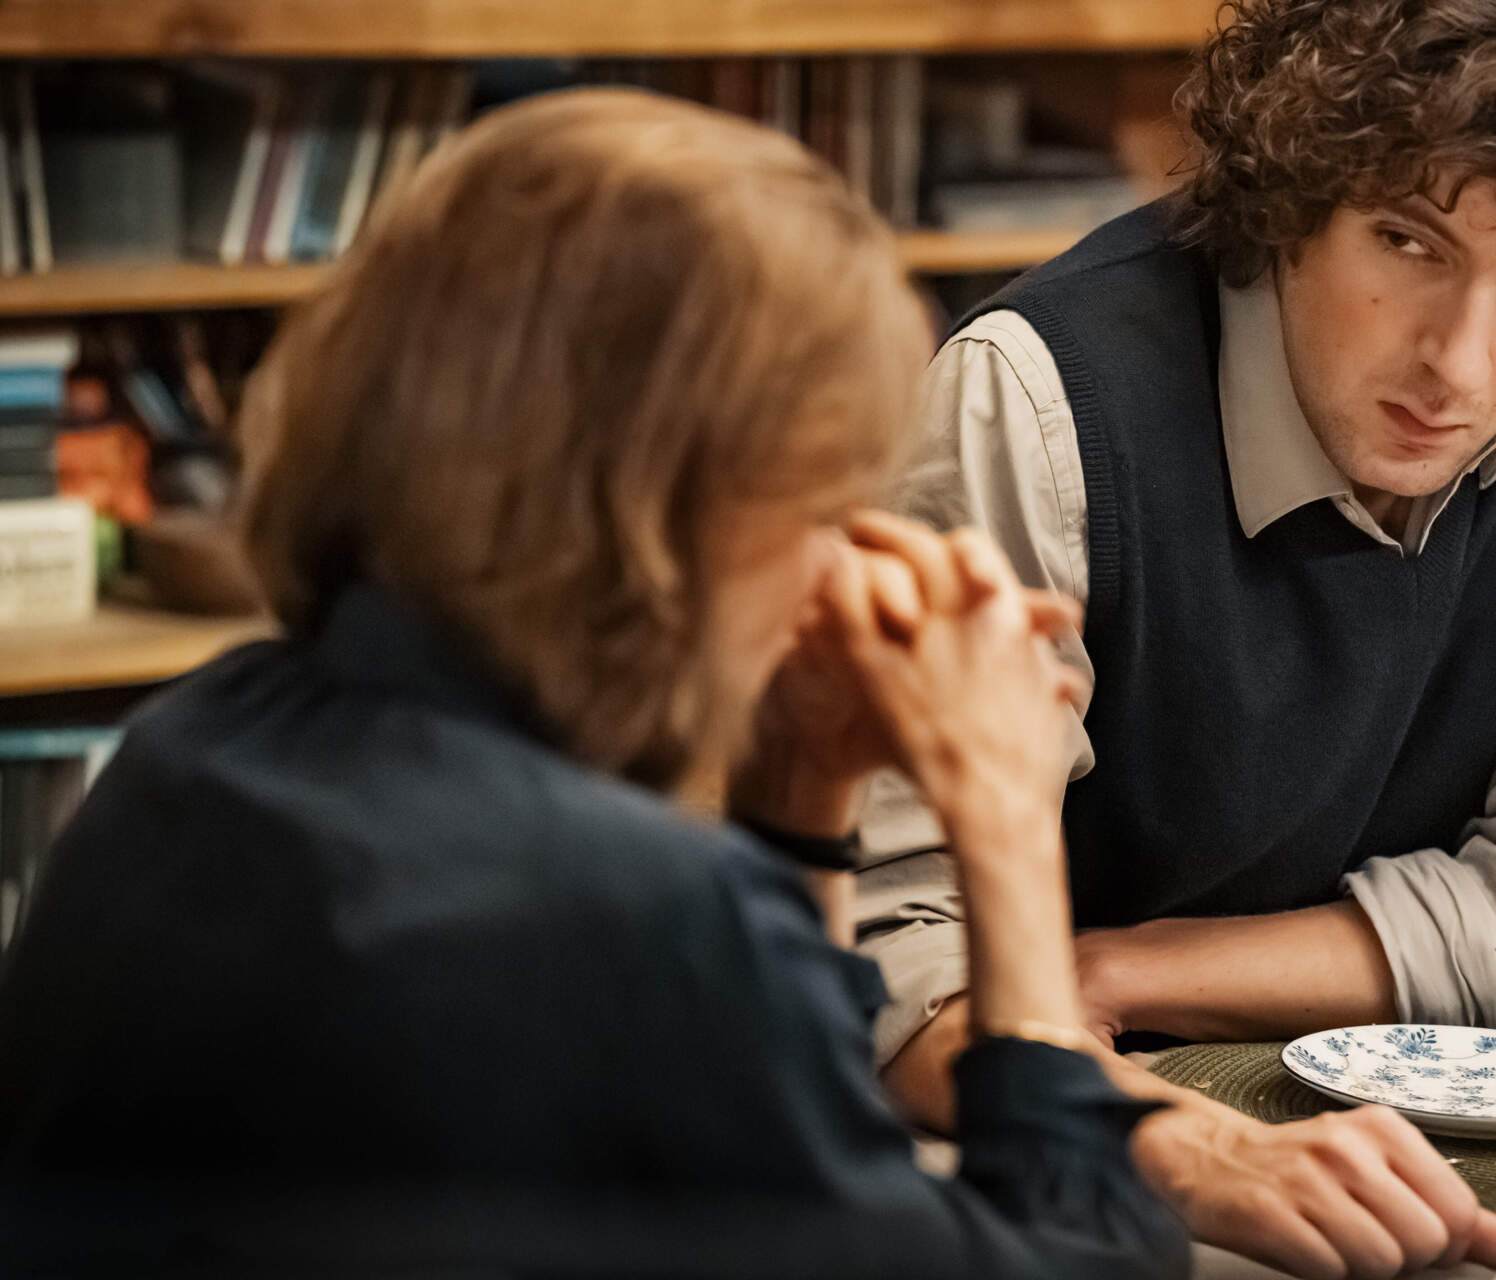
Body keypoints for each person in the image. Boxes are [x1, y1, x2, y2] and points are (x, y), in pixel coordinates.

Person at [0, 90, 1196, 1278]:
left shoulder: (190, 743)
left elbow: (782, 1144)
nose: (837, 563)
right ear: (668, 516)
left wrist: (797, 791)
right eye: (820, 503)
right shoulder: (630, 909)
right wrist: (1004, 819)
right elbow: (1086, 1254)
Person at [861, 0, 1496, 1270]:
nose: (1458, 365)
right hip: (1049, 1148)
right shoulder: (1038, 400)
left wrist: (1120, 964)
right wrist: (1181, 1143)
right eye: (1407, 241)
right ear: (1293, 200)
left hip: (1409, 1133)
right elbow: (897, 967)